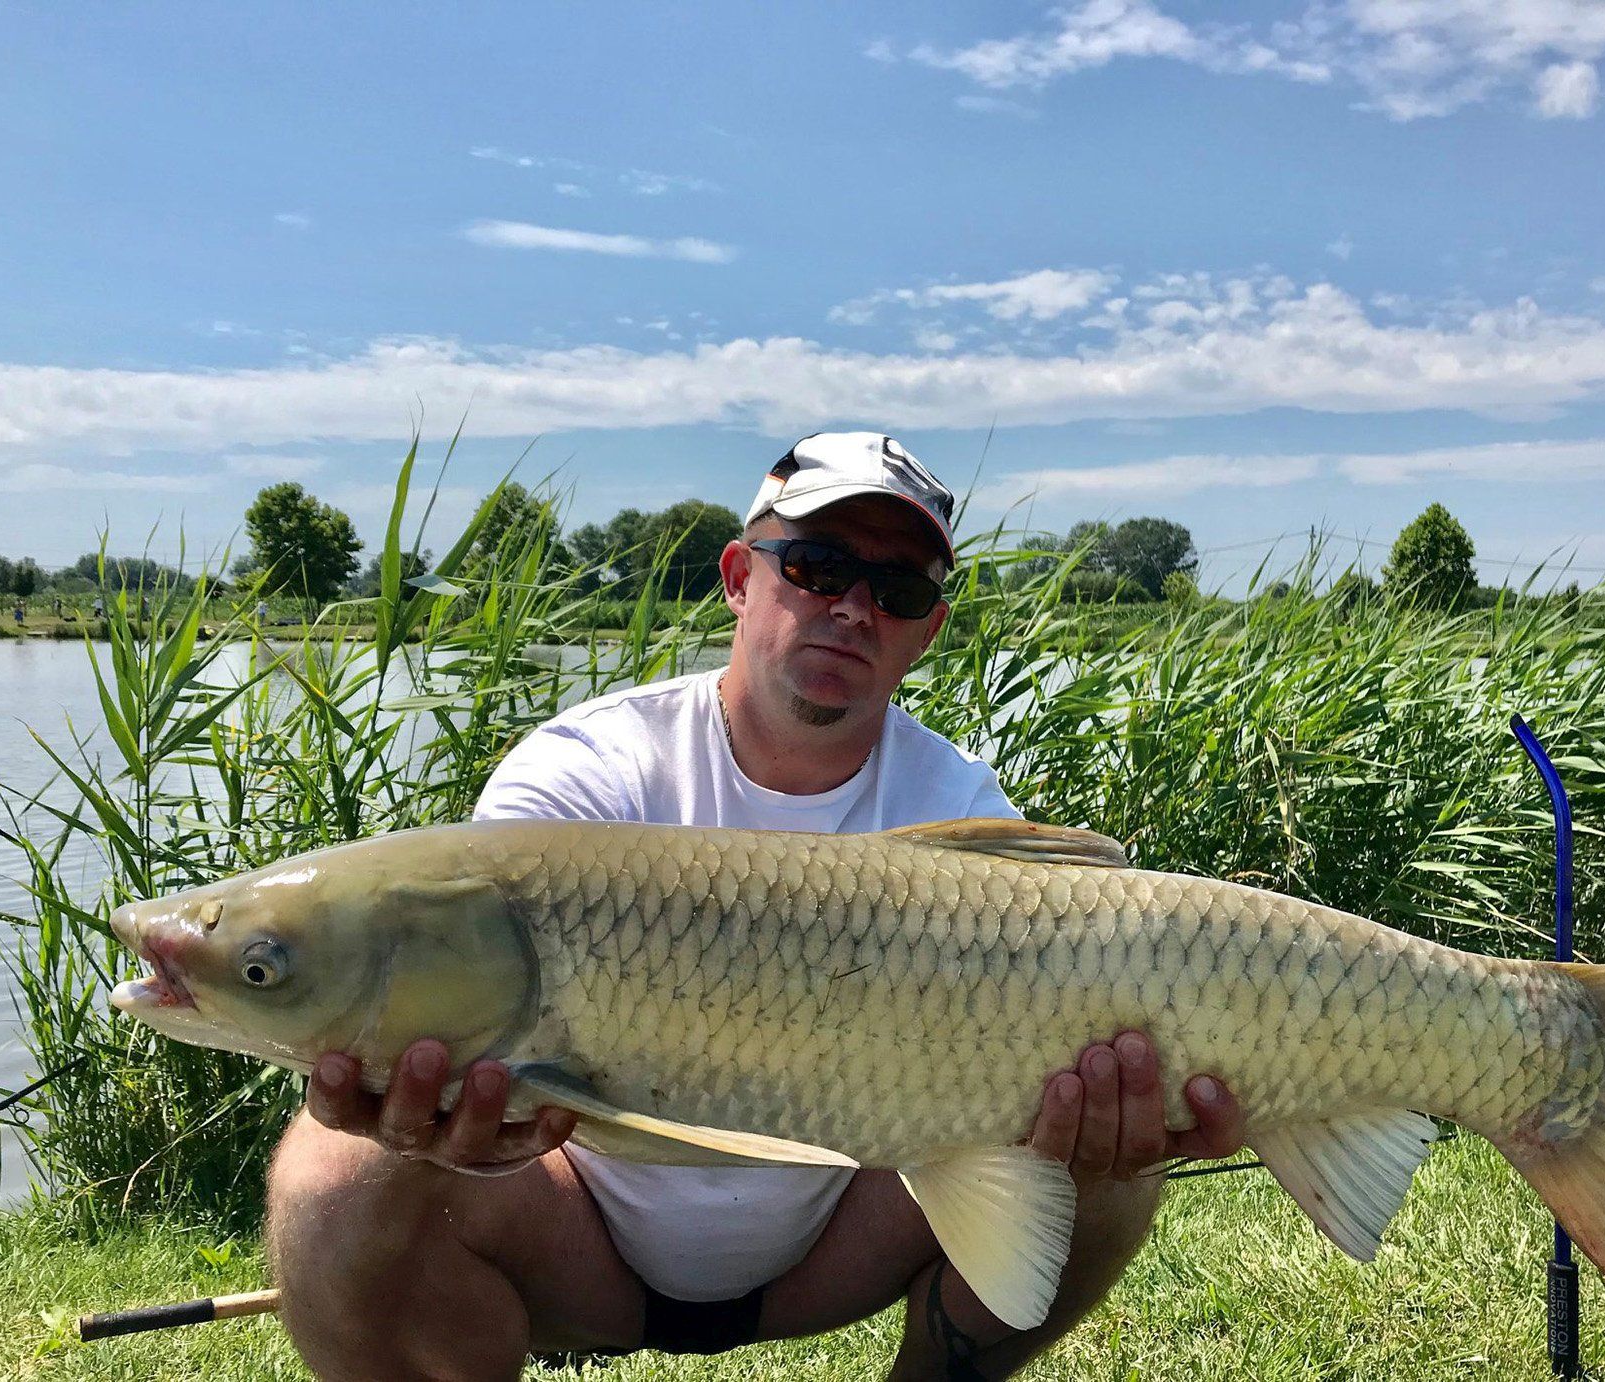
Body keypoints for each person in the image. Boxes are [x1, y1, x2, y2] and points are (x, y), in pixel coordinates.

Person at [266, 433, 1244, 1381]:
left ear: (928, 629)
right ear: (740, 575)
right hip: (576, 1228)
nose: (854, 608)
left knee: (1102, 1138)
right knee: (332, 1168)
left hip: (840, 1237)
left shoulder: (961, 805)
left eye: (897, 589)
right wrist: (451, 1118)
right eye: (818, 565)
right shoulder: (589, 772)